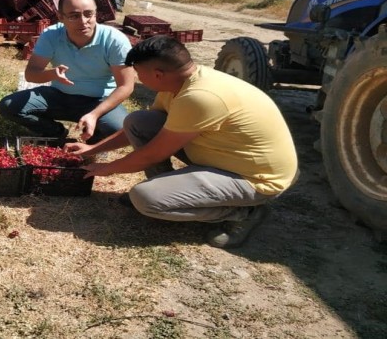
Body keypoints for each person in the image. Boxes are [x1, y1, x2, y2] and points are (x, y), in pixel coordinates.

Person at [67, 35, 298, 248]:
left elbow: (151, 155)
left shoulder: (200, 97)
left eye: (139, 73)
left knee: (145, 199)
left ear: (158, 74)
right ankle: (170, 191)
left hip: (256, 178)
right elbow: (138, 132)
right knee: (139, 121)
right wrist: (93, 148)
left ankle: (242, 213)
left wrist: (106, 169)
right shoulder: (178, 83)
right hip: (226, 156)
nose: (138, 79)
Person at [0, 0, 135, 143]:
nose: (83, 21)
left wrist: (94, 114)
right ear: (61, 17)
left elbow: (126, 86)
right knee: (8, 106)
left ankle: (94, 141)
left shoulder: (114, 40)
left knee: (119, 128)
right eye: (74, 16)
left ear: (96, 14)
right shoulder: (51, 35)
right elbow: (31, 74)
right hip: (59, 95)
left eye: (89, 14)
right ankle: (55, 132)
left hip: (99, 100)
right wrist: (52, 74)